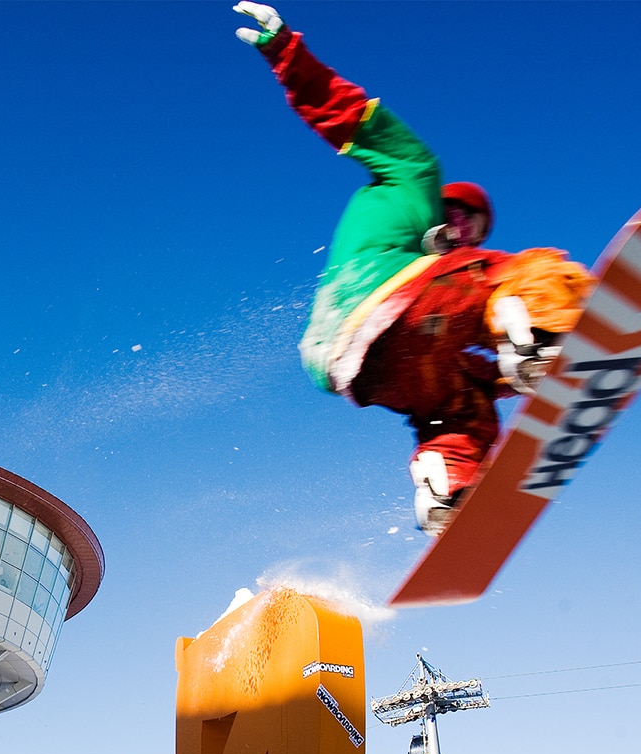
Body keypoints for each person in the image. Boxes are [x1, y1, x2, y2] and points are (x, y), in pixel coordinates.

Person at [232, 4, 595, 532]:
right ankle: (542, 333)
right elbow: (345, 112)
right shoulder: (413, 178)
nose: (466, 234)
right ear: (444, 207)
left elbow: (470, 364)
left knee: (462, 408)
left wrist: (515, 380)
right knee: (534, 269)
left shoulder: (452, 287)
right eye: (462, 218)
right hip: (383, 299)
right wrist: (286, 50)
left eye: (475, 230)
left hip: (348, 364)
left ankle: (446, 486)